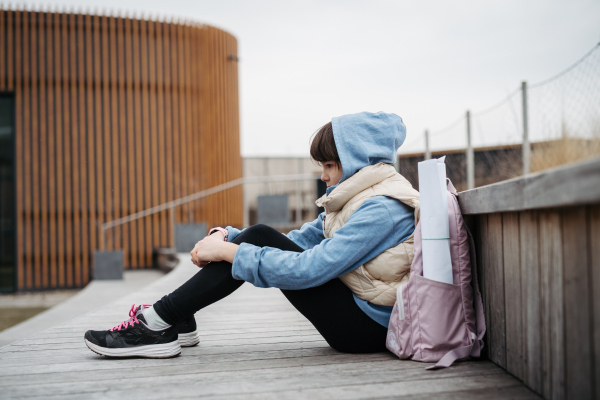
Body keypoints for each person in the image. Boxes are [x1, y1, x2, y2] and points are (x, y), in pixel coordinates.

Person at [84, 111, 420, 358]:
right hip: (357, 310)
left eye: (330, 165)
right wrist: (227, 237)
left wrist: (228, 251)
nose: (324, 176)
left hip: (367, 329)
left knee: (257, 236)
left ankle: (158, 322)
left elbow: (309, 269)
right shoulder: (358, 199)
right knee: (257, 234)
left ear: (358, 160)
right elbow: (299, 240)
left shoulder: (382, 209)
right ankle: (174, 318)